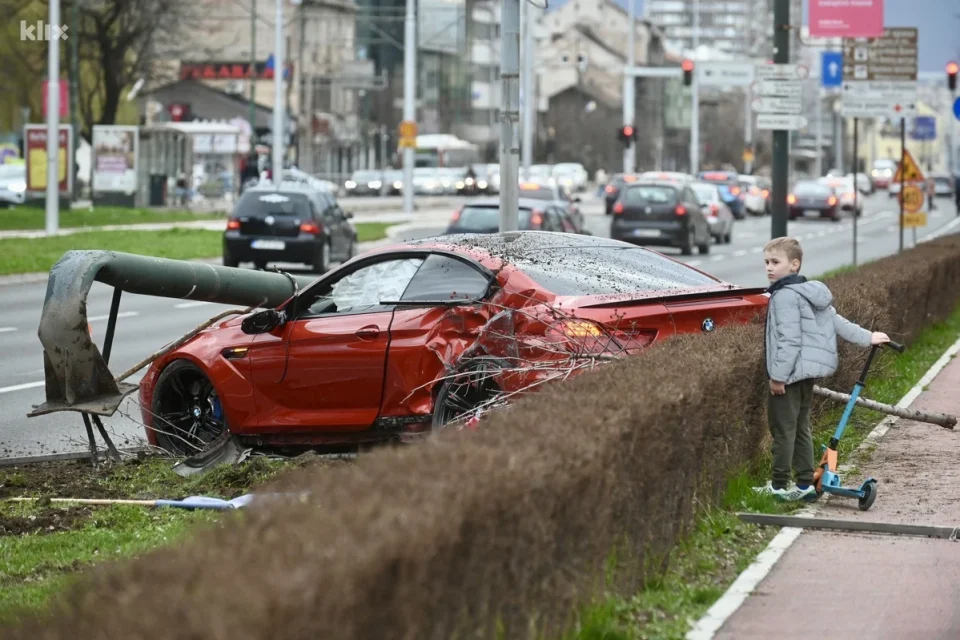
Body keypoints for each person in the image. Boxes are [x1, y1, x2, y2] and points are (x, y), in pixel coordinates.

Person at [757, 237, 891, 502]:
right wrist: (869, 336)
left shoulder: (784, 296)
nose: (769, 268)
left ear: (794, 265)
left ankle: (779, 485)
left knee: (783, 429)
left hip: (789, 375)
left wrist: (778, 377)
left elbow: (788, 340)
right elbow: (837, 322)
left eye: (775, 262)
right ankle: (806, 484)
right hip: (806, 374)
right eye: (766, 263)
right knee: (801, 427)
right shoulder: (809, 292)